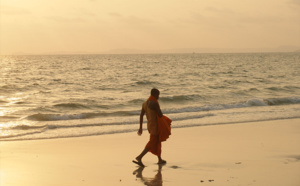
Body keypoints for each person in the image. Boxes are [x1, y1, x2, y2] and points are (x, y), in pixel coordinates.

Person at [133, 88, 171, 167]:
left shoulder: (144, 103)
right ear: (155, 95)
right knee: (152, 142)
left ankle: (160, 159)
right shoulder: (154, 103)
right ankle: (139, 157)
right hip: (156, 126)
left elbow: (141, 115)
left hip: (150, 125)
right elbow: (160, 115)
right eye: (158, 95)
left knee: (157, 141)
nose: (158, 97)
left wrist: (140, 127)